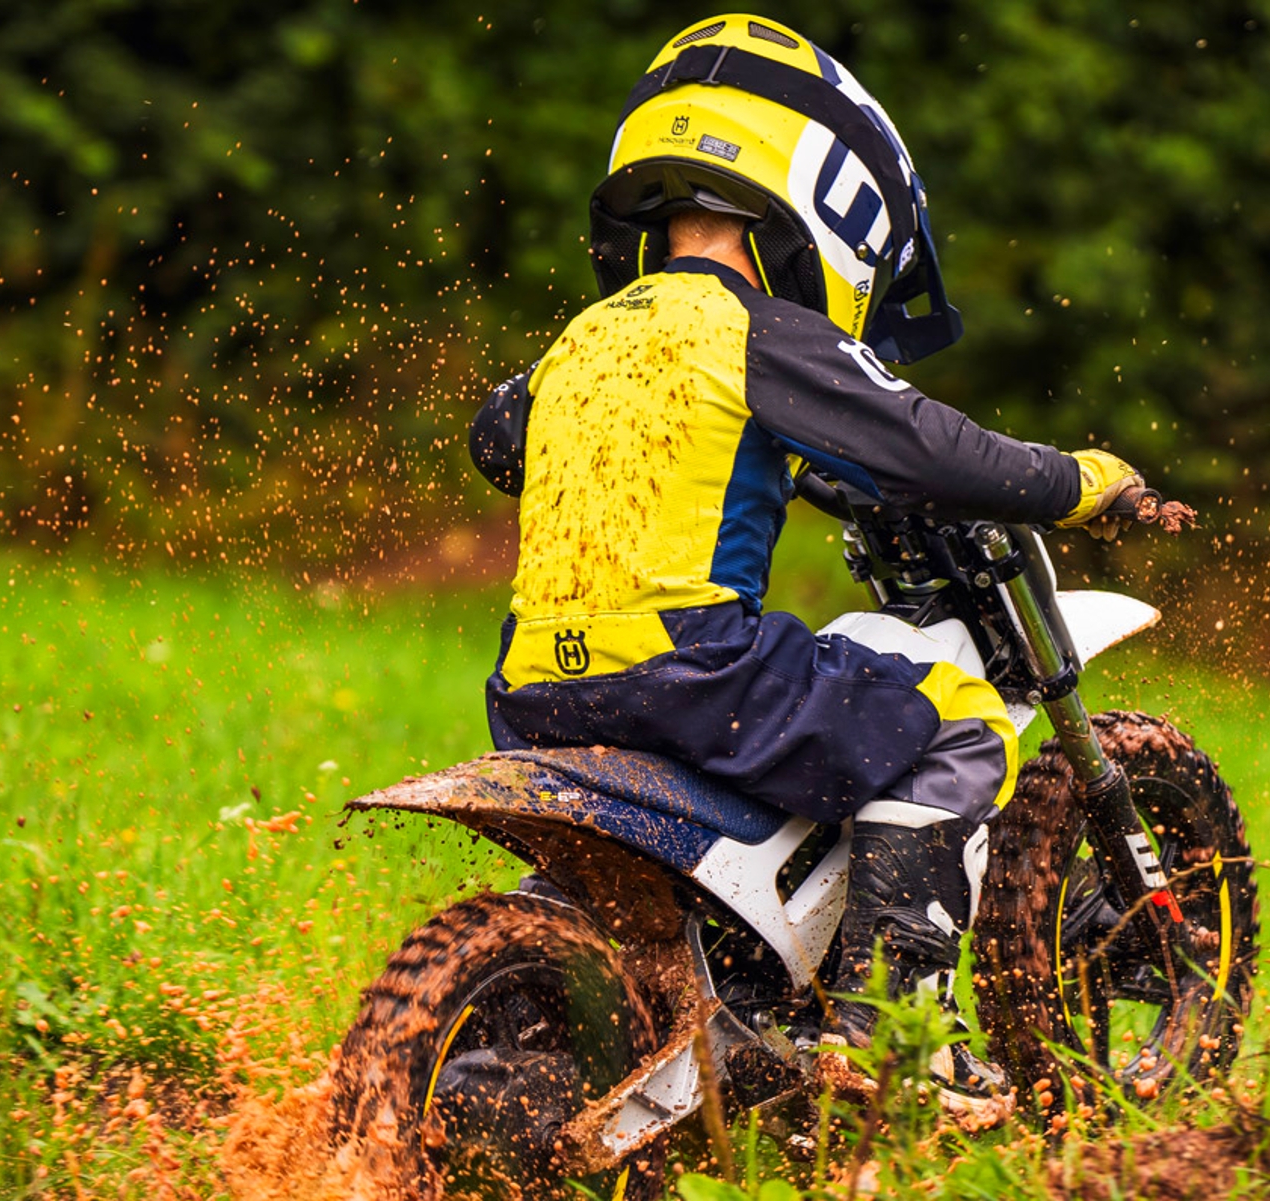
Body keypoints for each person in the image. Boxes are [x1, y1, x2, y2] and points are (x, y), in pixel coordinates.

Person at [466, 14, 1143, 1108]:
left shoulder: (580, 339)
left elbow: (499, 443)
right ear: (814, 202)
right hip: (692, 675)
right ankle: (893, 1036)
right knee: (959, 720)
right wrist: (1080, 480)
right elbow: (925, 442)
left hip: (535, 688)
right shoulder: (762, 332)